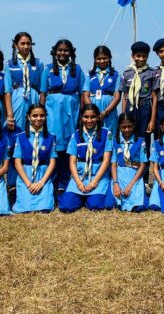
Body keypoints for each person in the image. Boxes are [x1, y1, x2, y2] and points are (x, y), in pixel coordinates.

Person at [40, 39, 90, 190]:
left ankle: (64, 182)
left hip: (71, 111)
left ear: (71, 52)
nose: (63, 53)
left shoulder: (77, 69)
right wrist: (41, 113)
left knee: (69, 144)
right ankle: (52, 181)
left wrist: (82, 115)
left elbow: (82, 94)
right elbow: (43, 93)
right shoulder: (48, 69)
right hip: (53, 111)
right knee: (55, 143)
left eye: (66, 50)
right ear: (55, 52)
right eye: (60, 50)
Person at [58, 104, 116, 212]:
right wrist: (78, 183)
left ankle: (88, 198)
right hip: (80, 176)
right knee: (66, 206)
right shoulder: (75, 135)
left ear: (98, 117)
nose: (89, 120)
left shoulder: (106, 133)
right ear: (81, 117)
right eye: (86, 117)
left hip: (98, 176)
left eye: (93, 117)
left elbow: (106, 160)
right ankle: (80, 197)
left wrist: (94, 182)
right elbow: (72, 162)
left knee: (95, 205)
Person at [11, 104, 57, 213]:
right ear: (28, 117)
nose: (38, 118)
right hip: (26, 175)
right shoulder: (20, 137)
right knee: (25, 208)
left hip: (43, 174)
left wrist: (41, 182)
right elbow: (17, 162)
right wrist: (28, 183)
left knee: (45, 207)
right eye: (35, 116)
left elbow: (52, 162)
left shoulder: (50, 137)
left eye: (42, 115)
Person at [111, 113, 148, 212]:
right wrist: (115, 183)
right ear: (119, 127)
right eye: (124, 127)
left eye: (129, 126)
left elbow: (143, 164)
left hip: (134, 176)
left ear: (134, 126)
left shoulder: (141, 142)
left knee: (140, 207)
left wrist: (131, 185)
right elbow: (113, 164)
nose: (127, 129)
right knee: (110, 204)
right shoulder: (115, 142)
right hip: (119, 175)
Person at [120, 41, 156, 142]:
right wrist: (124, 115)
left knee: (144, 136)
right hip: (130, 107)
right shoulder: (127, 73)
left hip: (145, 107)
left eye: (144, 56)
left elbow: (154, 97)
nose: (141, 59)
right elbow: (125, 96)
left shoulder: (152, 73)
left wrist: (152, 120)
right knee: (129, 135)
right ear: (133, 56)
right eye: (138, 56)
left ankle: (145, 153)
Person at [7, 32, 44, 131]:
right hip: (17, 98)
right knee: (18, 126)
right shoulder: (10, 64)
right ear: (16, 45)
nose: (26, 46)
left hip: (33, 96)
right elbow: (7, 91)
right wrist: (9, 114)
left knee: (34, 125)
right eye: (22, 43)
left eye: (28, 43)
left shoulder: (38, 63)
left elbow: (42, 89)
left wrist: (42, 108)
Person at [89, 45, 121, 135]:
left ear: (110, 58)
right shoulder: (90, 75)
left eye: (105, 58)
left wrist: (106, 112)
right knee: (93, 134)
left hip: (109, 111)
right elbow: (85, 95)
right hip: (93, 110)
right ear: (95, 59)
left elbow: (117, 97)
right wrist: (92, 111)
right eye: (99, 58)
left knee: (110, 134)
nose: (102, 61)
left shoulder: (116, 75)